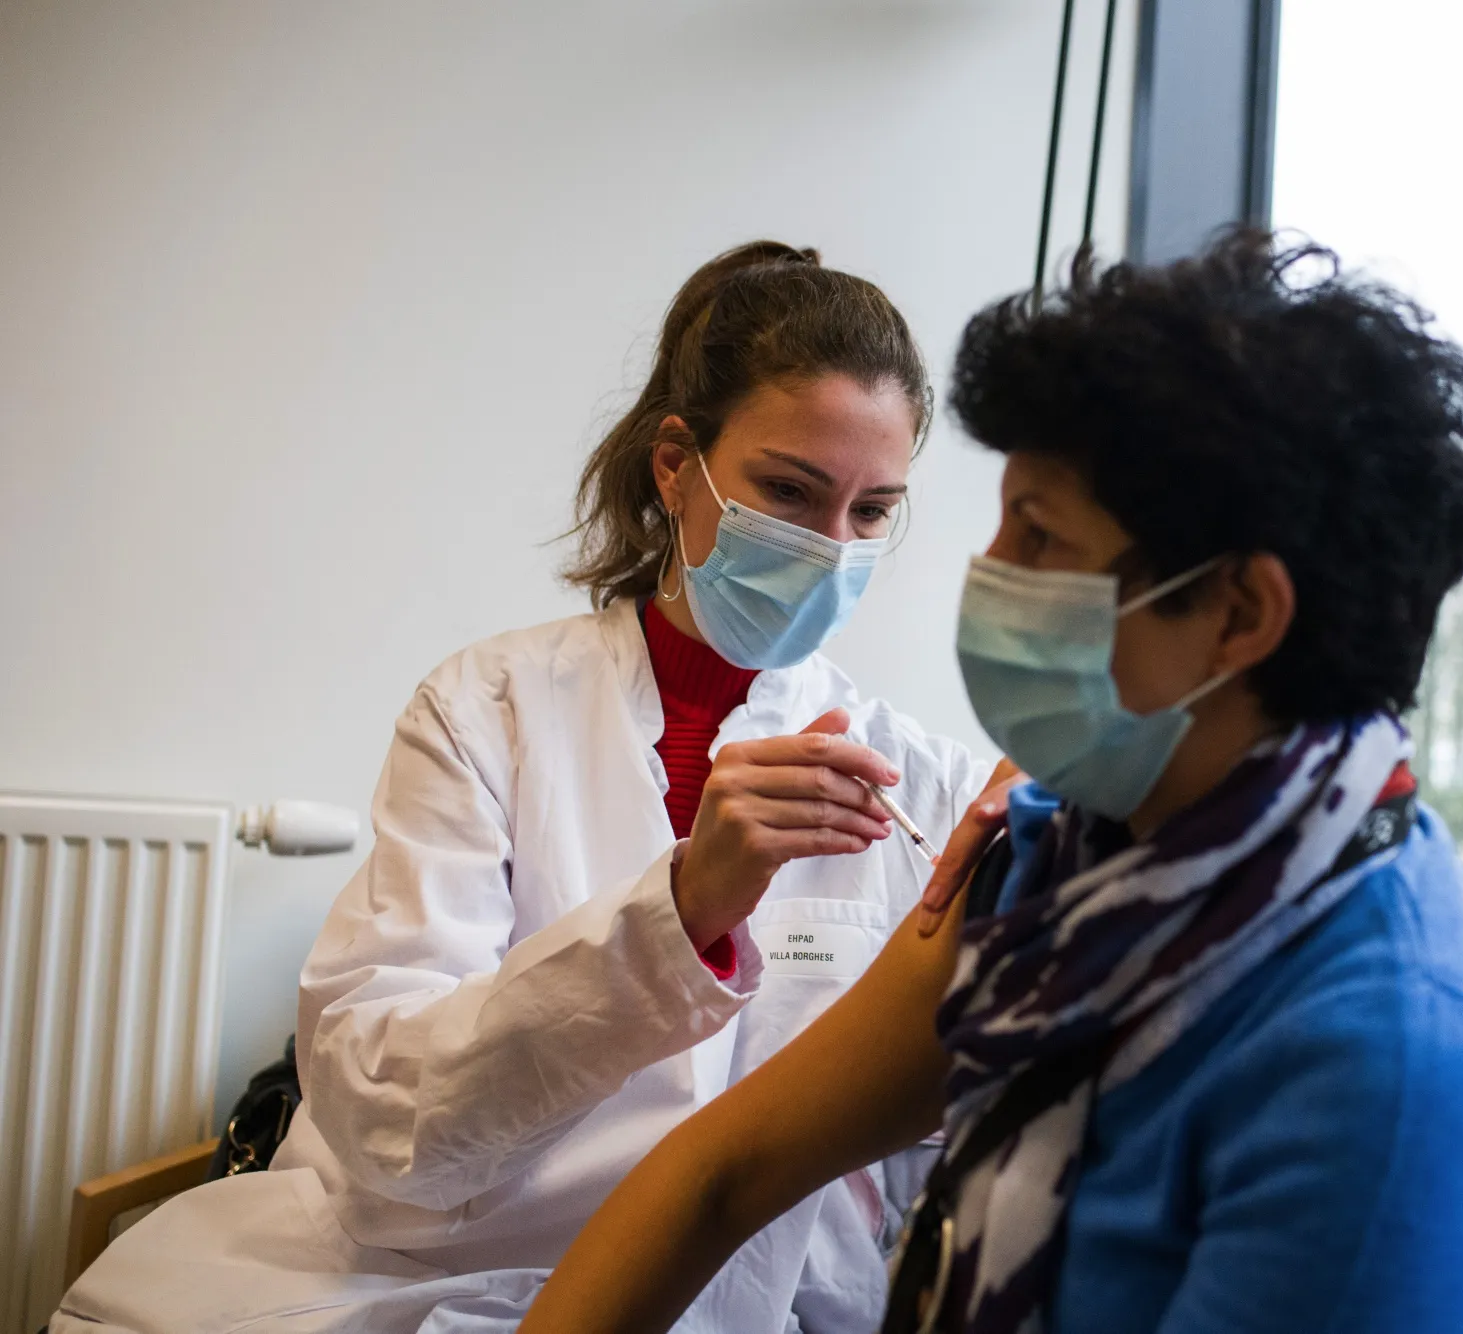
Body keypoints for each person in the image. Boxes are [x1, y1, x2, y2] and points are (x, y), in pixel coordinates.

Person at [521, 230, 1463, 1334]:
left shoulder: (1386, 1077)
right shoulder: (1066, 857)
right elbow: (724, 1172)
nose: (990, 574)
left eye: (1038, 534)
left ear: (1236, 613)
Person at [55, 241, 989, 1334]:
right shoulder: (487, 709)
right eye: (788, 491)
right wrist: (680, 915)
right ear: (675, 465)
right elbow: (376, 1105)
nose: (829, 550)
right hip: (435, 1278)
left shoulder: (921, 781)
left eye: (870, 512)